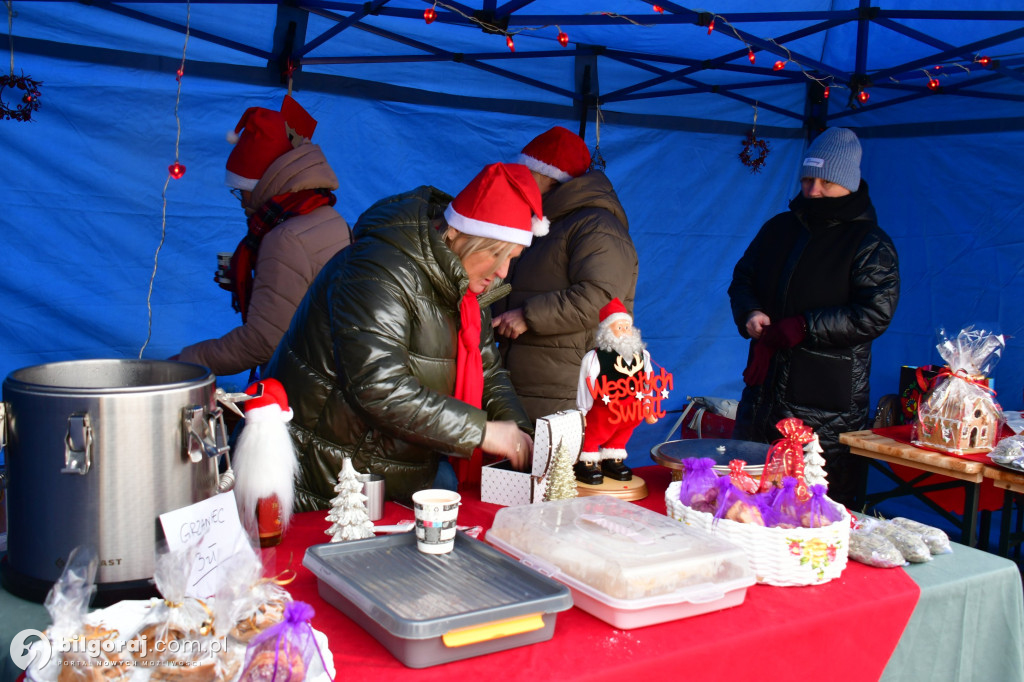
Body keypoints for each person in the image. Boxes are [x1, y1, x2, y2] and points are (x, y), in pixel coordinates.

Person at [264, 163, 540, 509]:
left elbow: (488, 373)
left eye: (512, 259)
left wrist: (524, 438)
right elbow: (378, 387)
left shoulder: (465, 289)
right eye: (496, 255)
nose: (502, 272)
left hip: (401, 476)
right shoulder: (377, 270)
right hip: (330, 478)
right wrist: (484, 432)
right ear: (457, 234)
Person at [727, 127, 900, 508]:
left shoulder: (870, 243)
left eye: (825, 181)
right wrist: (750, 313)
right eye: (807, 179)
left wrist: (805, 325)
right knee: (746, 496)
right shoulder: (778, 228)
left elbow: (875, 313)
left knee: (811, 506)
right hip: (763, 390)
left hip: (825, 402)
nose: (813, 189)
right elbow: (743, 279)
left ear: (849, 184)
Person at [175, 95, 352, 379]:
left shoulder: (284, 238)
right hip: (334, 376)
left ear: (261, 183)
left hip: (303, 391)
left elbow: (261, 342)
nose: (242, 200)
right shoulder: (328, 217)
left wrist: (185, 362)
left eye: (240, 190)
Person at [492, 126, 638, 422]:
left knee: (554, 467)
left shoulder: (597, 226)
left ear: (546, 176)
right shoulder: (545, 224)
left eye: (526, 173)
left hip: (565, 389)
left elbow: (602, 299)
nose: (519, 181)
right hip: (525, 383)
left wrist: (527, 315)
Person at [575, 298, 659, 484]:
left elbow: (648, 382)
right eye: (619, 327)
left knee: (623, 432)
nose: (624, 332)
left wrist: (648, 406)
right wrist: (582, 410)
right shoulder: (595, 357)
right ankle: (586, 462)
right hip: (605, 408)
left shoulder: (643, 356)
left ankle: (612, 459)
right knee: (595, 432)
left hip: (632, 409)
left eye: (627, 327)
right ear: (607, 331)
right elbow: (585, 384)